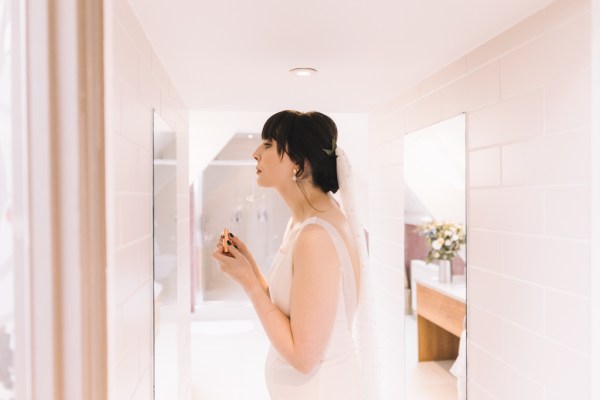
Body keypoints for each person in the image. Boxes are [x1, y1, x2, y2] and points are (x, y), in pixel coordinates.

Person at [212, 110, 367, 399]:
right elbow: (294, 311)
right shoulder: (302, 222)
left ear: (297, 162)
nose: (255, 153)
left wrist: (248, 283)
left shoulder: (315, 236)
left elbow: (304, 356)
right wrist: (251, 270)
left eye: (269, 144)